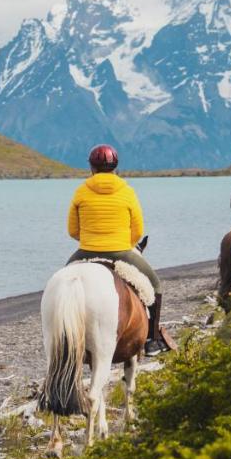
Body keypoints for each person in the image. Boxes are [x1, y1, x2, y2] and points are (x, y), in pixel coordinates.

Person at [66, 143, 172, 356]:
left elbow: (72, 230)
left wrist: (88, 239)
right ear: (116, 167)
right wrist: (126, 244)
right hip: (122, 251)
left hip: (86, 251)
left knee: (62, 285)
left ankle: (63, 339)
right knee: (155, 285)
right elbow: (138, 230)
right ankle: (153, 338)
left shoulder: (80, 191)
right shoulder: (127, 191)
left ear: (91, 167)